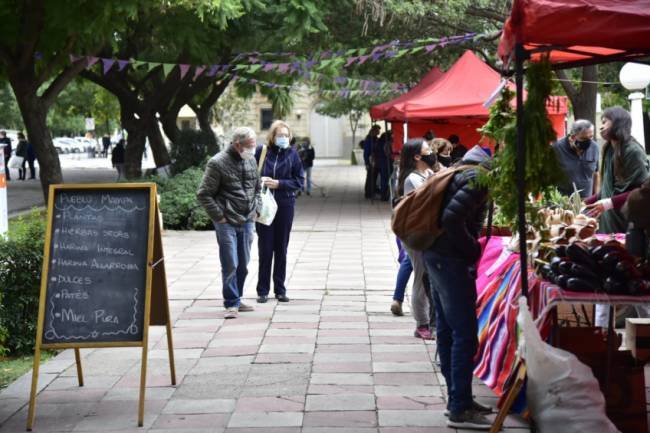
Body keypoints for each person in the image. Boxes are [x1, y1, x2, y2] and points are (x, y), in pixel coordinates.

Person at [422, 145, 493, 429]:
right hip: (449, 259)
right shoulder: (476, 179)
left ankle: (457, 398)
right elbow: (452, 218)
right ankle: (459, 406)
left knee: (448, 329)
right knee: (464, 333)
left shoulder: (457, 173)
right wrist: (472, 248)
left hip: (436, 255)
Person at [197, 127, 261, 319]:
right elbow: (203, 194)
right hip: (226, 222)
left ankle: (238, 298)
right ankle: (231, 302)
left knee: (243, 264)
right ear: (237, 144)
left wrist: (256, 208)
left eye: (254, 146)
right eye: (249, 146)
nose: (252, 149)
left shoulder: (251, 159)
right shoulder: (217, 163)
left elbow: (257, 188)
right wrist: (219, 216)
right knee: (230, 263)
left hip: (248, 219)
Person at [255, 120, 304, 304]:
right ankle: (262, 290)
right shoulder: (262, 152)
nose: (283, 138)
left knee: (281, 248)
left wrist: (279, 184)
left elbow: (299, 181)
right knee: (265, 248)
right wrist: (262, 181)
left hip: (285, 205)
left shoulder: (293, 154)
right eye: (279, 135)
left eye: (285, 135)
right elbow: (252, 175)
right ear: (272, 137)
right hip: (264, 206)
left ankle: (280, 289)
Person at [585, 106, 648, 234]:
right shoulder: (609, 149)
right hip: (608, 225)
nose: (601, 127)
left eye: (605, 122)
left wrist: (609, 203)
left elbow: (642, 192)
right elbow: (608, 189)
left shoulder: (633, 151)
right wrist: (586, 202)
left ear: (617, 122)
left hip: (627, 226)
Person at [397, 138, 437, 339]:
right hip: (415, 235)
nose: (432, 152)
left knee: (427, 278)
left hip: (425, 233)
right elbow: (423, 206)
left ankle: (429, 320)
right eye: (428, 149)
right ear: (417, 156)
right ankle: (422, 324)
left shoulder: (427, 173)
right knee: (421, 278)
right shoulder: (412, 179)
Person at [552, 119, 599, 198]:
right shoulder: (556, 148)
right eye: (584, 138)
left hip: (587, 202)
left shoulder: (594, 147)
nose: (588, 141)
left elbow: (596, 173)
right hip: (563, 203)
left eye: (591, 137)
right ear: (573, 137)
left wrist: (595, 197)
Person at [373, 130, 392, 201]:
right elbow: (388, 153)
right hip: (385, 162)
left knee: (383, 179)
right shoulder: (386, 143)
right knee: (386, 179)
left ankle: (383, 194)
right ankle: (384, 195)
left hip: (380, 162)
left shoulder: (378, 142)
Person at [363, 125, 381, 198]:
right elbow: (366, 153)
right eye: (377, 130)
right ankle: (368, 193)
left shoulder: (375, 138)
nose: (379, 132)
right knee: (370, 177)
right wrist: (367, 163)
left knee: (373, 177)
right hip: (371, 161)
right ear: (374, 130)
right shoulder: (369, 140)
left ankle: (372, 192)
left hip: (375, 160)